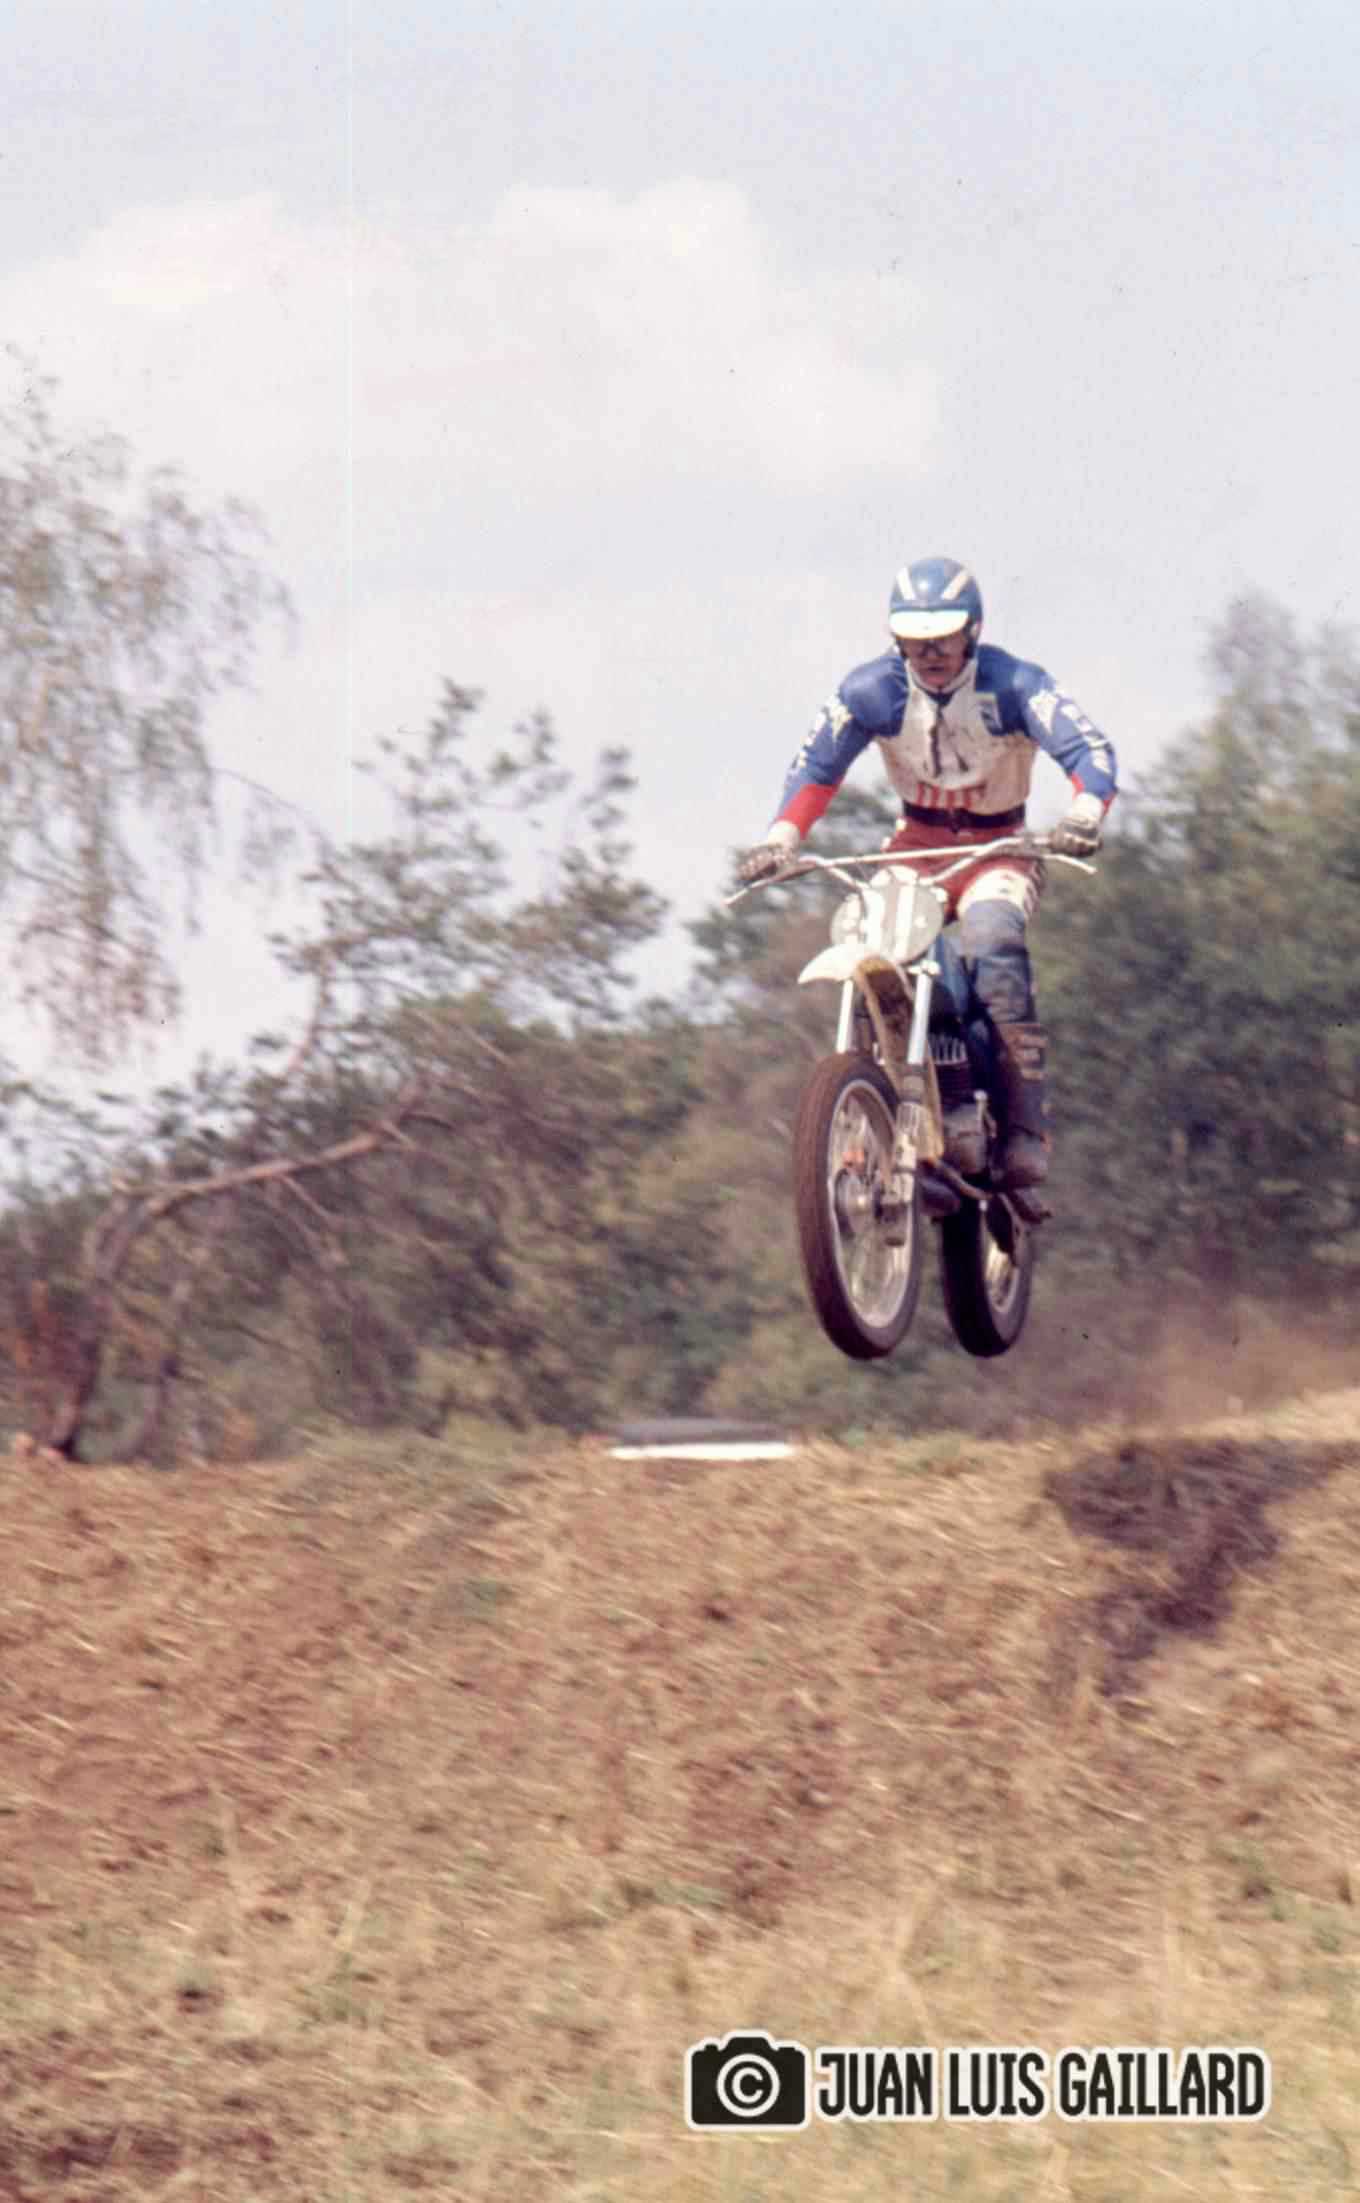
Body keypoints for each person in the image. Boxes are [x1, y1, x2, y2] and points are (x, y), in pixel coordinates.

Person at [737, 556, 1117, 1190]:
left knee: (992, 941)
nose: (930, 653)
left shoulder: (1015, 684)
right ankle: (890, 1106)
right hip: (915, 844)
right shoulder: (872, 691)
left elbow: (1088, 749)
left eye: (943, 637)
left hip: (999, 845)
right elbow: (816, 767)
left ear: (973, 630)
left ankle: (1024, 1124)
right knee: (875, 948)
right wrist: (781, 839)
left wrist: (1084, 813)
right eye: (915, 639)